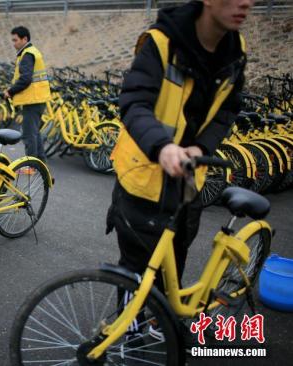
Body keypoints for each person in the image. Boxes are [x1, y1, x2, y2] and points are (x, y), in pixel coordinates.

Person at [106, 0, 252, 339]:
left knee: (175, 257)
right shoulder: (160, 42)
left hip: (189, 178)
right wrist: (163, 146)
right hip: (144, 175)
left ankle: (163, 322)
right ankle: (130, 332)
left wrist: (201, 147)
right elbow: (133, 101)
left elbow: (228, 109)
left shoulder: (236, 49)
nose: (246, 3)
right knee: (136, 268)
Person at [4, 26, 51, 163]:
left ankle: (31, 165)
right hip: (36, 99)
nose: (14, 43)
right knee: (34, 133)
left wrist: (10, 91)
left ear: (25, 39)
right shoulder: (32, 52)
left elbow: (25, 79)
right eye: (12, 40)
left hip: (32, 100)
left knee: (29, 134)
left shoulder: (27, 54)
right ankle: (40, 162)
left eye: (16, 40)